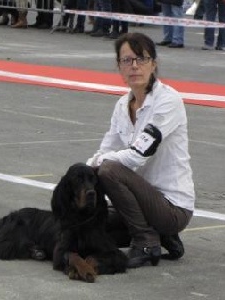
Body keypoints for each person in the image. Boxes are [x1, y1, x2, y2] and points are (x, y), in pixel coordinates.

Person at [86, 32, 195, 268]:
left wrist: (99, 162)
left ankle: (148, 242)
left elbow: (138, 156)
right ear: (119, 67)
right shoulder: (122, 105)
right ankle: (160, 235)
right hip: (139, 201)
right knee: (90, 235)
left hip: (172, 207)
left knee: (109, 170)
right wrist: (85, 170)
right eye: (127, 60)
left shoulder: (168, 101)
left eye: (142, 59)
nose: (134, 66)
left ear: (154, 64)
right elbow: (107, 147)